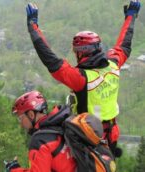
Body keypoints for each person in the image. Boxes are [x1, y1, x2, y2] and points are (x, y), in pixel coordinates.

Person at [25, 0, 141, 157]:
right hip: (109, 136)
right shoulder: (113, 64)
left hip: (86, 138)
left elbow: (50, 59)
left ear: (80, 53)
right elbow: (125, 44)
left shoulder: (80, 78)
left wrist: (33, 27)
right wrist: (131, 16)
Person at [5, 90, 76, 172]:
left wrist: (14, 170)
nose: (20, 124)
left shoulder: (40, 140)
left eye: (20, 118)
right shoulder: (60, 125)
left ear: (31, 115)